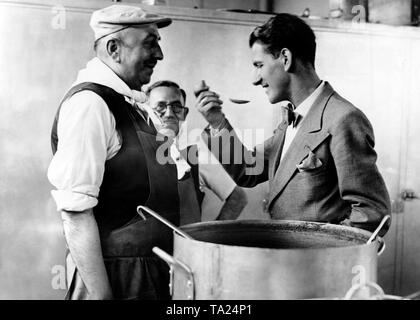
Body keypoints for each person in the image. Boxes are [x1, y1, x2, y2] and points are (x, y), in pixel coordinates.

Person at [195, 14, 391, 235]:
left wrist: (323, 249)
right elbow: (247, 169)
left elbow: (372, 213)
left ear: (286, 58)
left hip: (318, 265)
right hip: (288, 262)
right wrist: (217, 122)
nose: (255, 78)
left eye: (259, 65)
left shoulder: (343, 119)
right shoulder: (291, 121)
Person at [48, 5, 178, 300]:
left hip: (147, 273)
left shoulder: (131, 103)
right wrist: (102, 296)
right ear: (114, 48)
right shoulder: (90, 105)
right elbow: (75, 212)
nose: (159, 54)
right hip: (116, 277)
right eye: (150, 42)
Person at [145, 80, 247, 225]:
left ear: (184, 114)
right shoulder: (131, 150)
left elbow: (238, 198)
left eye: (176, 107)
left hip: (185, 246)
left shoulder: (195, 154)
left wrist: (210, 237)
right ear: (146, 112)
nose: (169, 114)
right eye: (160, 106)